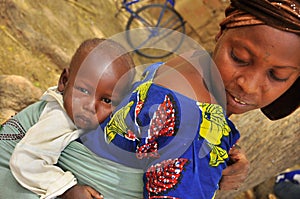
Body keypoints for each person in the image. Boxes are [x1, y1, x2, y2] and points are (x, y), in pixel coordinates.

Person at [1, 0, 299, 198]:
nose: (248, 84)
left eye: (277, 75)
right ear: (221, 34)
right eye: (239, 57)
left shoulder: (191, 62)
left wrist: (223, 152)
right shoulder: (191, 114)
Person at [3, 37, 136, 199]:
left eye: (106, 100)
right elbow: (26, 161)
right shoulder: (59, 118)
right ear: (64, 81)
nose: (90, 106)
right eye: (84, 90)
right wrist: (67, 189)